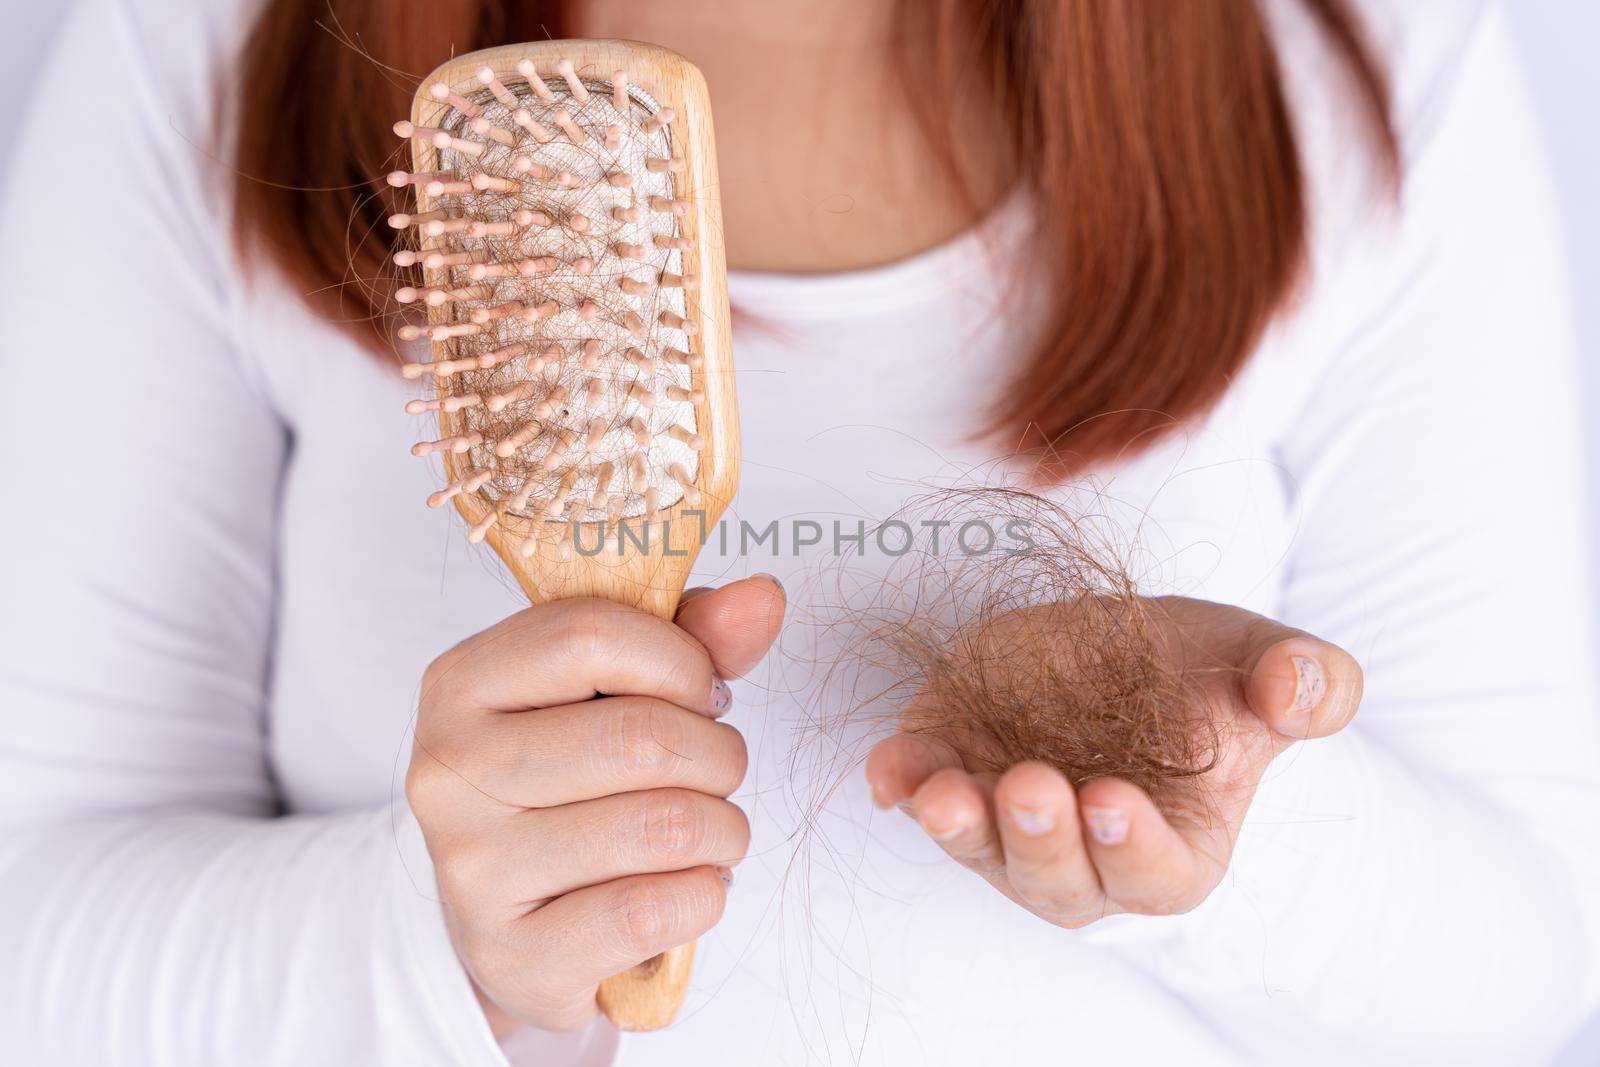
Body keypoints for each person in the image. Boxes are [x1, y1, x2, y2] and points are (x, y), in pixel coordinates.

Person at [1, 0, 1596, 1063]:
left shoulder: (1369, 65)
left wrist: (1233, 824)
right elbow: (30, 936)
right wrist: (435, 940)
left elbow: (1535, 974)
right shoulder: (202, 47)